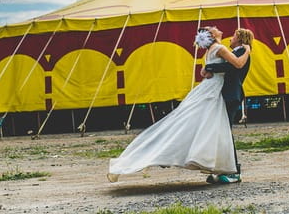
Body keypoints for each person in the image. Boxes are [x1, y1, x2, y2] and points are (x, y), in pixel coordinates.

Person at [107, 26, 251, 182]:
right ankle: (228, 169)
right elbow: (234, 64)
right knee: (216, 129)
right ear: (211, 35)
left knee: (208, 127)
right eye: (214, 29)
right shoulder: (222, 48)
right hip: (215, 91)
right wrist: (247, 51)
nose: (221, 30)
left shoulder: (214, 51)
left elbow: (222, 68)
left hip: (215, 90)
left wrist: (208, 68)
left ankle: (225, 168)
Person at [202, 28, 254, 184]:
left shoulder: (241, 52)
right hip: (225, 94)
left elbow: (231, 67)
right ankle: (223, 168)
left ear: (239, 39)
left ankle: (234, 171)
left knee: (226, 132)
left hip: (231, 95)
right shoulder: (238, 52)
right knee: (221, 133)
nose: (230, 39)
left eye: (233, 36)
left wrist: (210, 67)